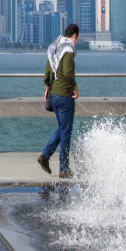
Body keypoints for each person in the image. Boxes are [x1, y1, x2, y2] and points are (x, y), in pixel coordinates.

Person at [38, 24, 80, 179]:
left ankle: (45, 157)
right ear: (75, 35)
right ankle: (63, 168)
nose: (77, 41)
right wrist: (74, 86)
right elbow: (68, 73)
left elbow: (49, 71)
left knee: (62, 128)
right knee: (66, 131)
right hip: (64, 94)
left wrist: (48, 88)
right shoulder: (68, 50)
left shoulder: (55, 47)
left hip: (54, 94)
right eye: (78, 38)